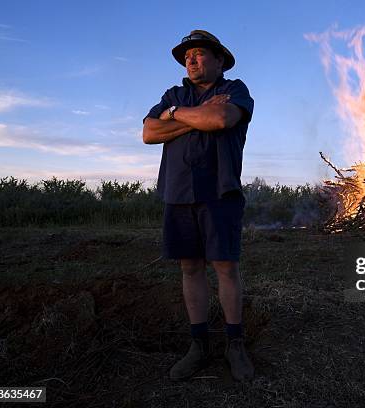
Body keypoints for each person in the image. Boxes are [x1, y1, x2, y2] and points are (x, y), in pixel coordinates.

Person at [142, 30, 254, 382]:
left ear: (219, 60)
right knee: (190, 268)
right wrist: (186, 113)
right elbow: (148, 133)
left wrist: (172, 120)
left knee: (225, 267)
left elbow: (220, 120)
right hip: (177, 193)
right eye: (187, 55)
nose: (191, 59)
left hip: (220, 192)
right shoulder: (173, 95)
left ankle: (234, 345)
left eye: (200, 53)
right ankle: (199, 345)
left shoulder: (234, 90)